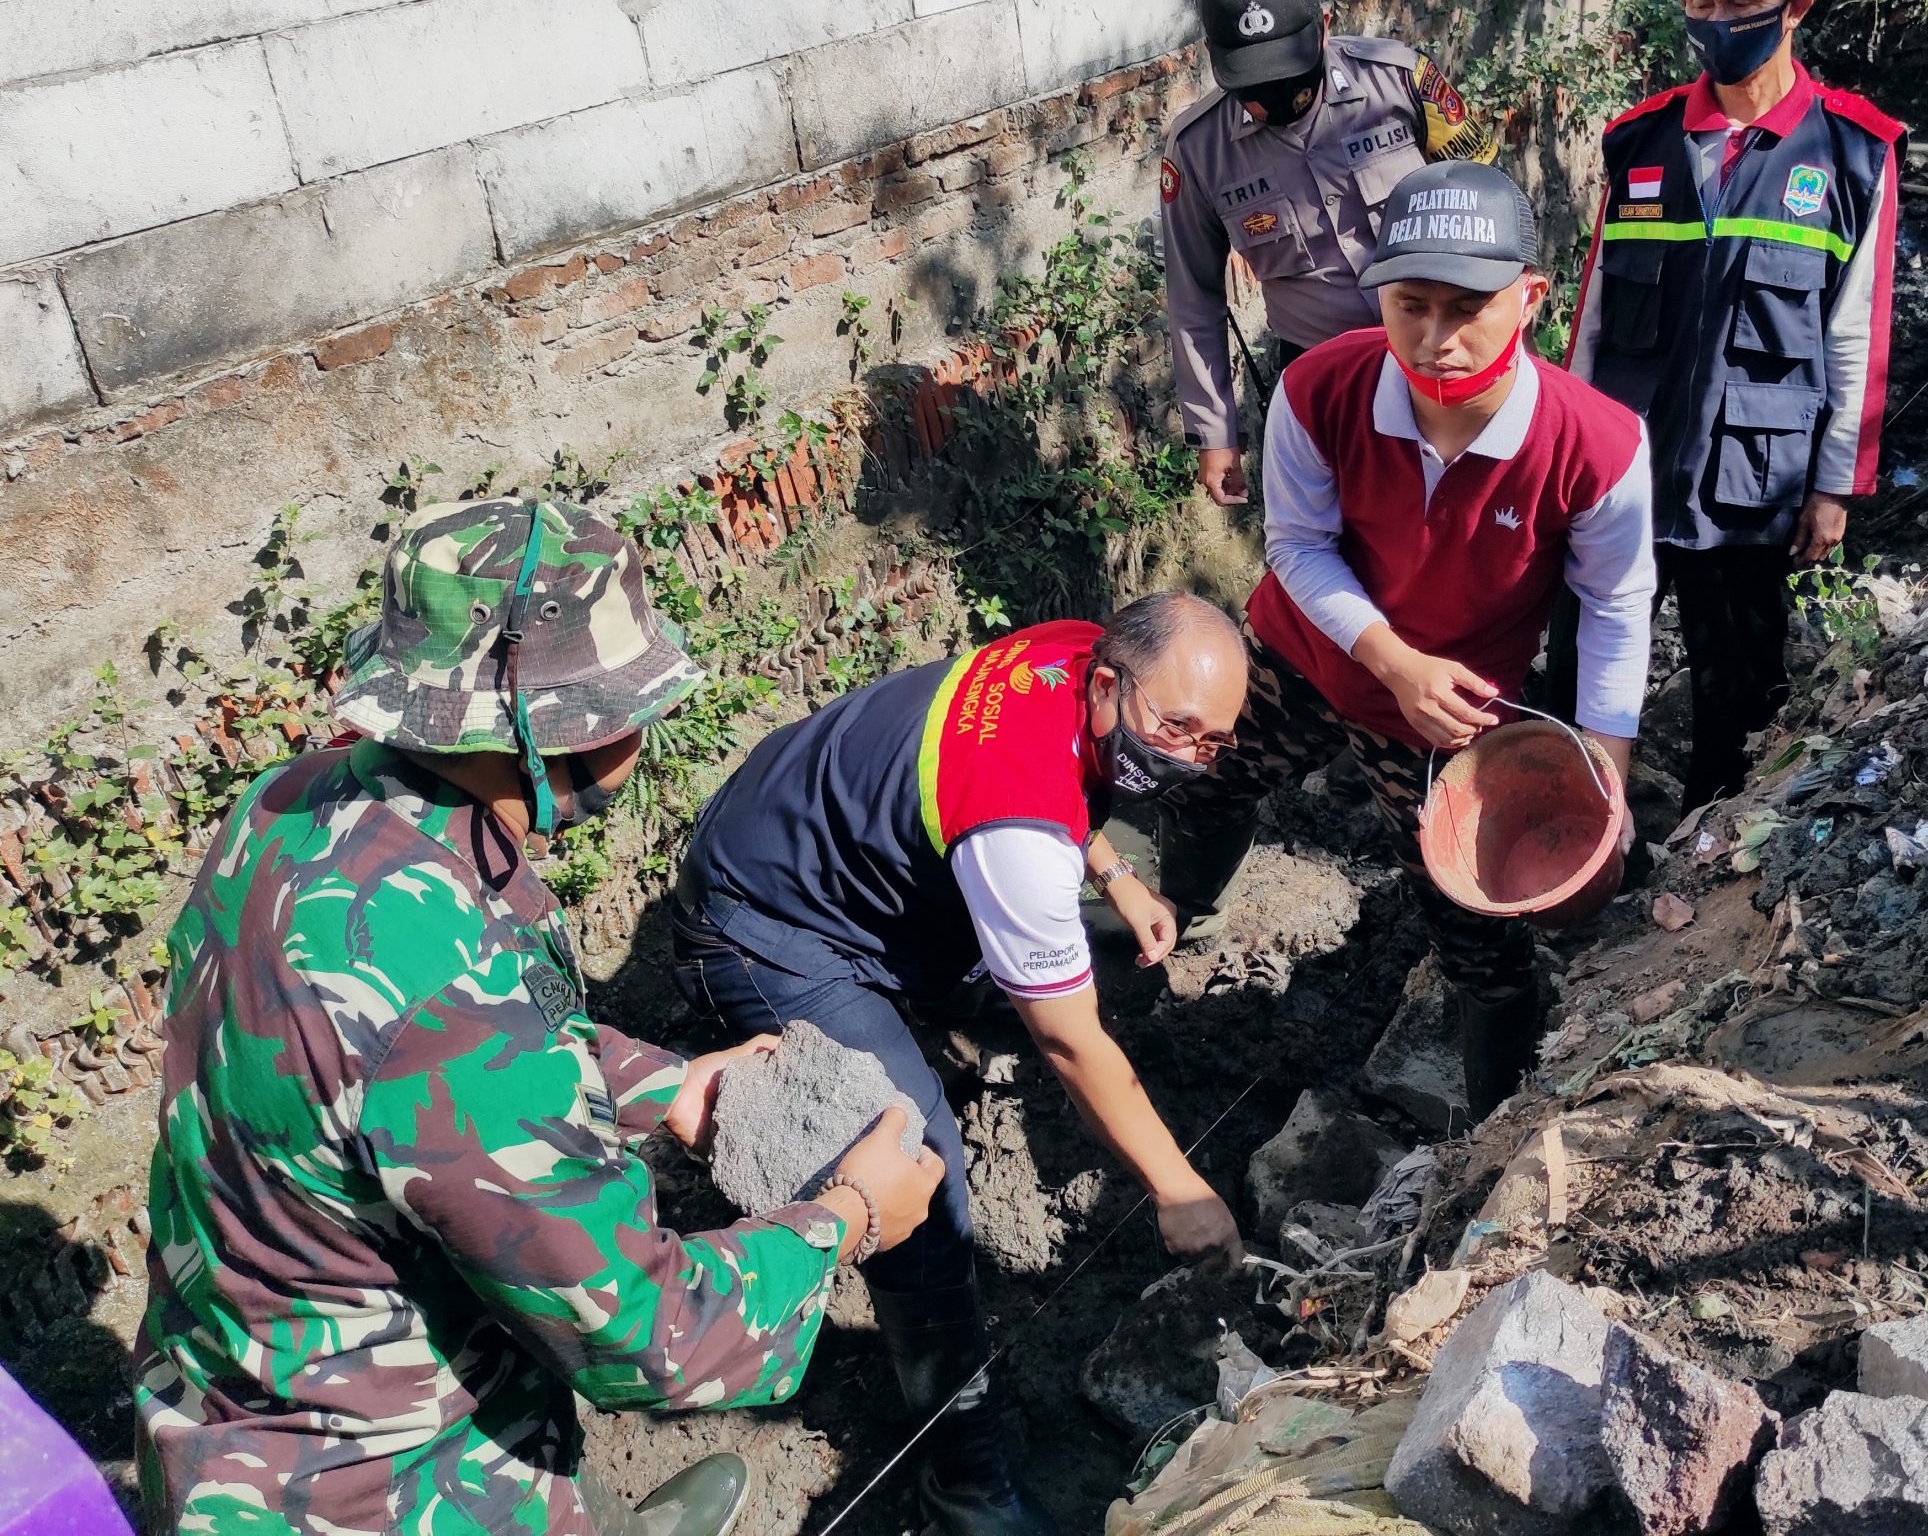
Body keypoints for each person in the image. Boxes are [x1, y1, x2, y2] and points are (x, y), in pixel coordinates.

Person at [131, 498, 944, 1536]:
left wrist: (669, 1084)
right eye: (632, 706)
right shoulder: (444, 992)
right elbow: (652, 1337)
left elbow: (433, 1053)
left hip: (238, 1381)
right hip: (376, 1488)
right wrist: (846, 1219)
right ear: (555, 730)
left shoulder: (301, 806)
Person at [671, 593, 1249, 1536]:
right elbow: (1069, 1040)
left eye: (1213, 741)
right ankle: (963, 1477)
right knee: (919, 1167)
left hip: (839, 852)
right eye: (1175, 728)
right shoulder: (1015, 824)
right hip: (766, 918)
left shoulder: (1074, 655)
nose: (1189, 755)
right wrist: (1178, 1188)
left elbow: (1063, 794)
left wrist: (1117, 874)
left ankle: (936, 1007)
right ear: (1107, 684)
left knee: (1053, 972)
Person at [1155, 160, 1656, 1121]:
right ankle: (1177, 921)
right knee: (1208, 780)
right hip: (1306, 656)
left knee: (1474, 928)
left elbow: (1615, 610)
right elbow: (1297, 546)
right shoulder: (1317, 389)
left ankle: (1491, 1132)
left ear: (1531, 298)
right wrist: (1391, 660)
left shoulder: (1597, 445)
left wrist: (1609, 775)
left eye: (1469, 307)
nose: (1436, 341)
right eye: (1411, 304)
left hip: (1451, 721)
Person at [1565, 0, 1899, 813]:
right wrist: (1559, 457)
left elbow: (1855, 335)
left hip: (1753, 480)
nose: (1716, 26)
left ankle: (1705, 856)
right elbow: (1594, 314)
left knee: (1739, 697)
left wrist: (1834, 487)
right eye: (1700, 6)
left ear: (1794, 8)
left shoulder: (1852, 154)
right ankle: (1575, 846)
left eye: (1740, 8)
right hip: (1624, 472)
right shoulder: (1639, 142)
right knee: (1581, 677)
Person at [1161, 0, 1498, 506]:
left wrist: (1510, 349)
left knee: (1476, 520)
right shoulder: (1197, 152)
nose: (1270, 101)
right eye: (1251, 85)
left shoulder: (1401, 84)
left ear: (1323, 27)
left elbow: (1493, 210)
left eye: (1285, 75)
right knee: (1347, 542)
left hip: (1448, 353)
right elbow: (1192, 295)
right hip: (1326, 380)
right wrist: (1215, 434)